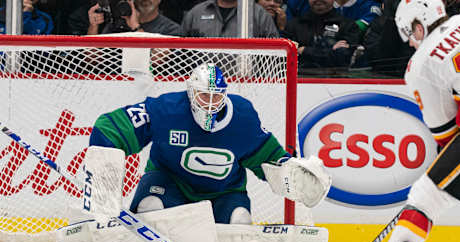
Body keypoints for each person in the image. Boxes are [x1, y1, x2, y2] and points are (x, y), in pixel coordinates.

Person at [88, 63, 331, 224]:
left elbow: (266, 156)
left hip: (224, 192)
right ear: (191, 92)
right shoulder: (167, 109)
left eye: (217, 96)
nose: (211, 103)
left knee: (241, 221)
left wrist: (288, 170)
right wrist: (104, 187)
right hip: (169, 183)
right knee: (150, 208)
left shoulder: (243, 116)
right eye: (205, 95)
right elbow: (108, 127)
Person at [359, 0, 460, 242]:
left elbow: (447, 133)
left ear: (418, 26)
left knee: (426, 196)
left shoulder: (422, 62)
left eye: (410, 36)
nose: (412, 44)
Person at [282, 0, 363, 69]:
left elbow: (343, 58)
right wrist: (331, 51)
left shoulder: (348, 26)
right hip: (299, 79)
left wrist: (305, 51)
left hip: (337, 79)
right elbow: (285, 57)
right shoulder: (293, 25)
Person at [181, 0, 279, 38]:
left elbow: (275, 56)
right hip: (202, 82)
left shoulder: (260, 15)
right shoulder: (196, 13)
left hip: (248, 81)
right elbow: (180, 55)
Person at [87, 0, 180, 35]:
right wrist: (94, 26)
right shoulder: (117, 25)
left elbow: (156, 60)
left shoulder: (171, 29)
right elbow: (91, 60)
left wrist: (135, 27)